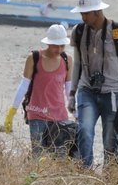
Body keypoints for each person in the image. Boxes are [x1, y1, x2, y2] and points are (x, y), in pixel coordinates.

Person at [68, 0, 118, 169]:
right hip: (86, 91)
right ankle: (85, 171)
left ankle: (110, 175)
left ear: (97, 12)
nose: (83, 17)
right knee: (84, 131)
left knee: (110, 138)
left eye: (86, 13)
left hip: (112, 92)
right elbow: (77, 64)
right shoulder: (77, 32)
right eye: (81, 13)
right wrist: (72, 93)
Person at [4, 24, 74, 157]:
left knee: (60, 156)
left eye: (62, 46)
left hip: (60, 116)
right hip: (37, 114)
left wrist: (76, 114)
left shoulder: (67, 60)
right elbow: (24, 85)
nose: (59, 49)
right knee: (38, 155)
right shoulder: (34, 58)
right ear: (49, 43)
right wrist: (12, 112)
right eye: (55, 45)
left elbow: (69, 89)